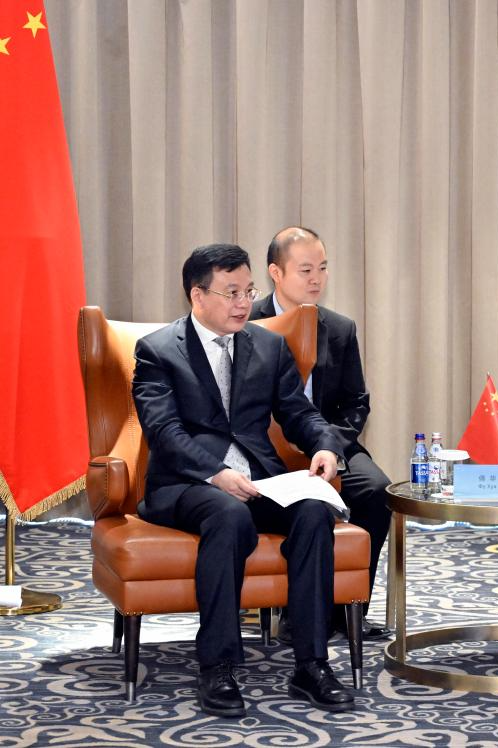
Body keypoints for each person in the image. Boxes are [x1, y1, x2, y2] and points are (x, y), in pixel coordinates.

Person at [133, 244, 356, 717]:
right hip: (188, 483)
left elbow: (298, 413)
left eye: (248, 291)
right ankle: (217, 666)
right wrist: (215, 472)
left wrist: (324, 445)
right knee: (228, 514)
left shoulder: (268, 345)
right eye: (230, 292)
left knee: (314, 511)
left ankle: (311, 664)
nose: (242, 303)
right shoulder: (157, 351)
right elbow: (164, 432)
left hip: (259, 481)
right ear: (198, 295)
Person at [250, 226, 393, 641]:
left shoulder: (340, 328)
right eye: (306, 270)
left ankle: (347, 609)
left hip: (328, 441)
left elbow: (356, 402)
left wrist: (329, 444)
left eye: (323, 269)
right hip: (264, 445)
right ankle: (291, 608)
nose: (317, 279)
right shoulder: (248, 322)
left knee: (375, 491)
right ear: (276, 273)